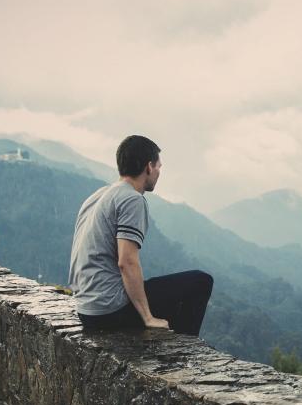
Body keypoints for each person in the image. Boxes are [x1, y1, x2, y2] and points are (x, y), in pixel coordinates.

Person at [68, 135, 213, 335]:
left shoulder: (98, 196)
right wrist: (148, 317)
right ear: (148, 167)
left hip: (86, 308)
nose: (159, 172)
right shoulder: (132, 199)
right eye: (159, 167)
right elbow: (126, 261)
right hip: (109, 310)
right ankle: (185, 351)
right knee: (200, 281)